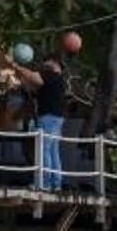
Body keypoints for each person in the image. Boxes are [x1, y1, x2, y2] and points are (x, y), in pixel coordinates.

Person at [11, 50, 70, 194]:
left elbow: (33, 77)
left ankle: (44, 183)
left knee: (44, 149)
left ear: (54, 62)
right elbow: (32, 85)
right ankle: (56, 183)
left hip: (48, 117)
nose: (44, 64)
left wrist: (15, 65)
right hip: (57, 118)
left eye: (47, 60)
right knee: (53, 151)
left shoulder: (51, 75)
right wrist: (21, 76)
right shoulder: (59, 80)